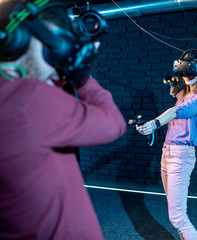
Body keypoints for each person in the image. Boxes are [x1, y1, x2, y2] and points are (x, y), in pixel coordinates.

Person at [0, 1, 126, 239]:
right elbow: (113, 123)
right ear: (20, 39)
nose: (58, 64)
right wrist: (82, 76)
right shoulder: (27, 98)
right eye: (54, 50)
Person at [137, 49, 197, 240]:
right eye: (185, 72)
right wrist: (175, 85)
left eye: (192, 72)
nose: (188, 76)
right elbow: (178, 98)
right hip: (168, 156)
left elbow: (175, 112)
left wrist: (154, 124)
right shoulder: (185, 96)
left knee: (177, 217)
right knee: (176, 214)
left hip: (180, 157)